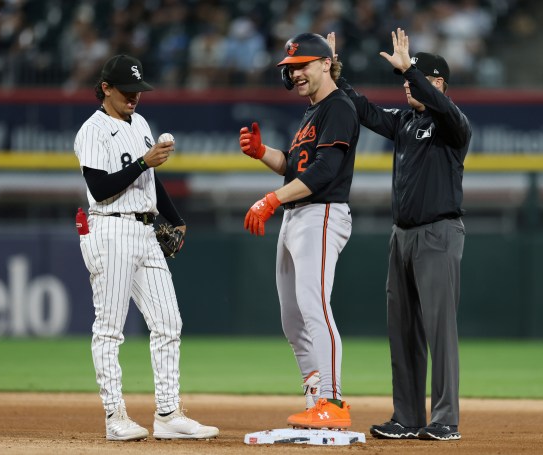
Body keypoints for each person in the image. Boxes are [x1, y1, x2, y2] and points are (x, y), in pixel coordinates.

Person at [331, 28, 470, 441]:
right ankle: (407, 416)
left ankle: (445, 419)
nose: (408, 85)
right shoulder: (406, 121)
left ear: (439, 84)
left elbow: (443, 110)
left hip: (438, 234)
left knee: (439, 330)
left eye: (417, 80)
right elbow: (365, 110)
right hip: (403, 237)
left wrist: (411, 68)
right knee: (403, 328)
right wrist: (332, 75)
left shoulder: (452, 124)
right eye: (407, 81)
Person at [74, 54, 219, 441]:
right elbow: (100, 190)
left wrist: (175, 217)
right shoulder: (93, 130)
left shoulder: (139, 122)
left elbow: (150, 181)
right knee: (109, 330)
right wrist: (143, 161)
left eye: (138, 90)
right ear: (106, 88)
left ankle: (168, 414)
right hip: (110, 229)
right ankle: (114, 416)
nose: (134, 97)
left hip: (144, 230)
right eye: (127, 90)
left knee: (168, 322)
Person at [238, 33, 360, 429]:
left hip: (321, 213)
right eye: (292, 67)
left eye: (304, 64)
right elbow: (296, 166)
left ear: (327, 63)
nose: (296, 72)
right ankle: (314, 393)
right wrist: (263, 153)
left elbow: (323, 172)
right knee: (292, 317)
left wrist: (271, 200)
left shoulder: (338, 105)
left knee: (314, 306)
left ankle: (333, 400)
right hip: (298, 214)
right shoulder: (313, 111)